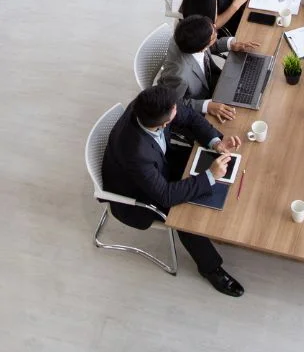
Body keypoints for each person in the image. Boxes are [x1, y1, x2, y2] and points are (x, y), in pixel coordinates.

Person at [101, 85, 245, 297]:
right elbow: (166, 196)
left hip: (160, 163)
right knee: (186, 217)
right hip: (138, 195)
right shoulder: (136, 153)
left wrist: (216, 142)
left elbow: (191, 117)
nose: (178, 110)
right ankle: (210, 268)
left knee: (206, 168)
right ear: (164, 124)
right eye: (174, 111)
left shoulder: (153, 103)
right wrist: (210, 176)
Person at [158, 15, 260, 122]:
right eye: (214, 34)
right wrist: (206, 106)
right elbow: (172, 104)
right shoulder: (178, 75)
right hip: (197, 105)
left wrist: (231, 45)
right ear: (202, 48)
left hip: (213, 82)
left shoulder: (188, 37)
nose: (216, 28)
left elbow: (210, 45)